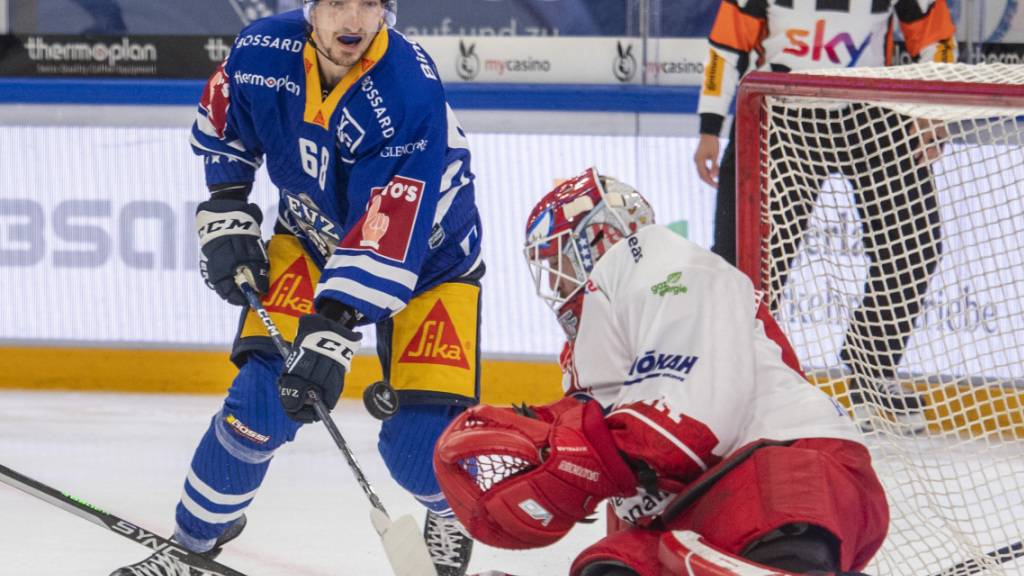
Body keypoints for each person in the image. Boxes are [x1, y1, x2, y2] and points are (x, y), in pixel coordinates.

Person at [112, 1, 482, 575]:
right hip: (312, 233)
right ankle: (191, 547)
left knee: (417, 449)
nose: (351, 21)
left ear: (388, 11)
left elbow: (387, 233)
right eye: (336, 3)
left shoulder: (408, 92)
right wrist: (228, 204)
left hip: (432, 262)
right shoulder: (261, 49)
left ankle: (451, 513)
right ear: (311, 8)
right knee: (258, 404)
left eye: (367, 4)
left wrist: (330, 328)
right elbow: (222, 123)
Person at [433, 168, 889, 576]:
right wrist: (545, 437)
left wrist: (584, 455)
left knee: (733, 529)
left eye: (559, 263)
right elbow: (616, 456)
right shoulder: (594, 347)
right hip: (701, 505)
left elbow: (688, 424)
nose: (554, 284)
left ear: (600, 237)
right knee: (611, 565)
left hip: (782, 466)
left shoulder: (653, 257)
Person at [693, 0, 958, 431]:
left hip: (872, 109)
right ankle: (736, 378)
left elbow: (936, 40)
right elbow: (727, 46)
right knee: (743, 259)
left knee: (915, 244)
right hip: (779, 110)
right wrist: (708, 127)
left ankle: (872, 370)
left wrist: (934, 110)